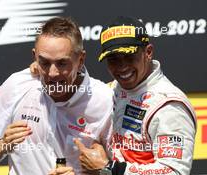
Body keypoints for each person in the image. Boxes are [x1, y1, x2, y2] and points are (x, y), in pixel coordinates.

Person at [0, 17, 113, 175]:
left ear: (80, 60)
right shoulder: (17, 84)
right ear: (34, 56)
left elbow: (121, 167)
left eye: (62, 63)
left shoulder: (104, 99)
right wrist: (2, 146)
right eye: (44, 62)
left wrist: (102, 171)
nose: (52, 73)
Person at [75, 16, 197, 175]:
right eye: (113, 59)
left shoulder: (168, 105)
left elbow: (175, 172)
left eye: (129, 56)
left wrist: (109, 169)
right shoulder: (112, 90)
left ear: (148, 52)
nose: (122, 67)